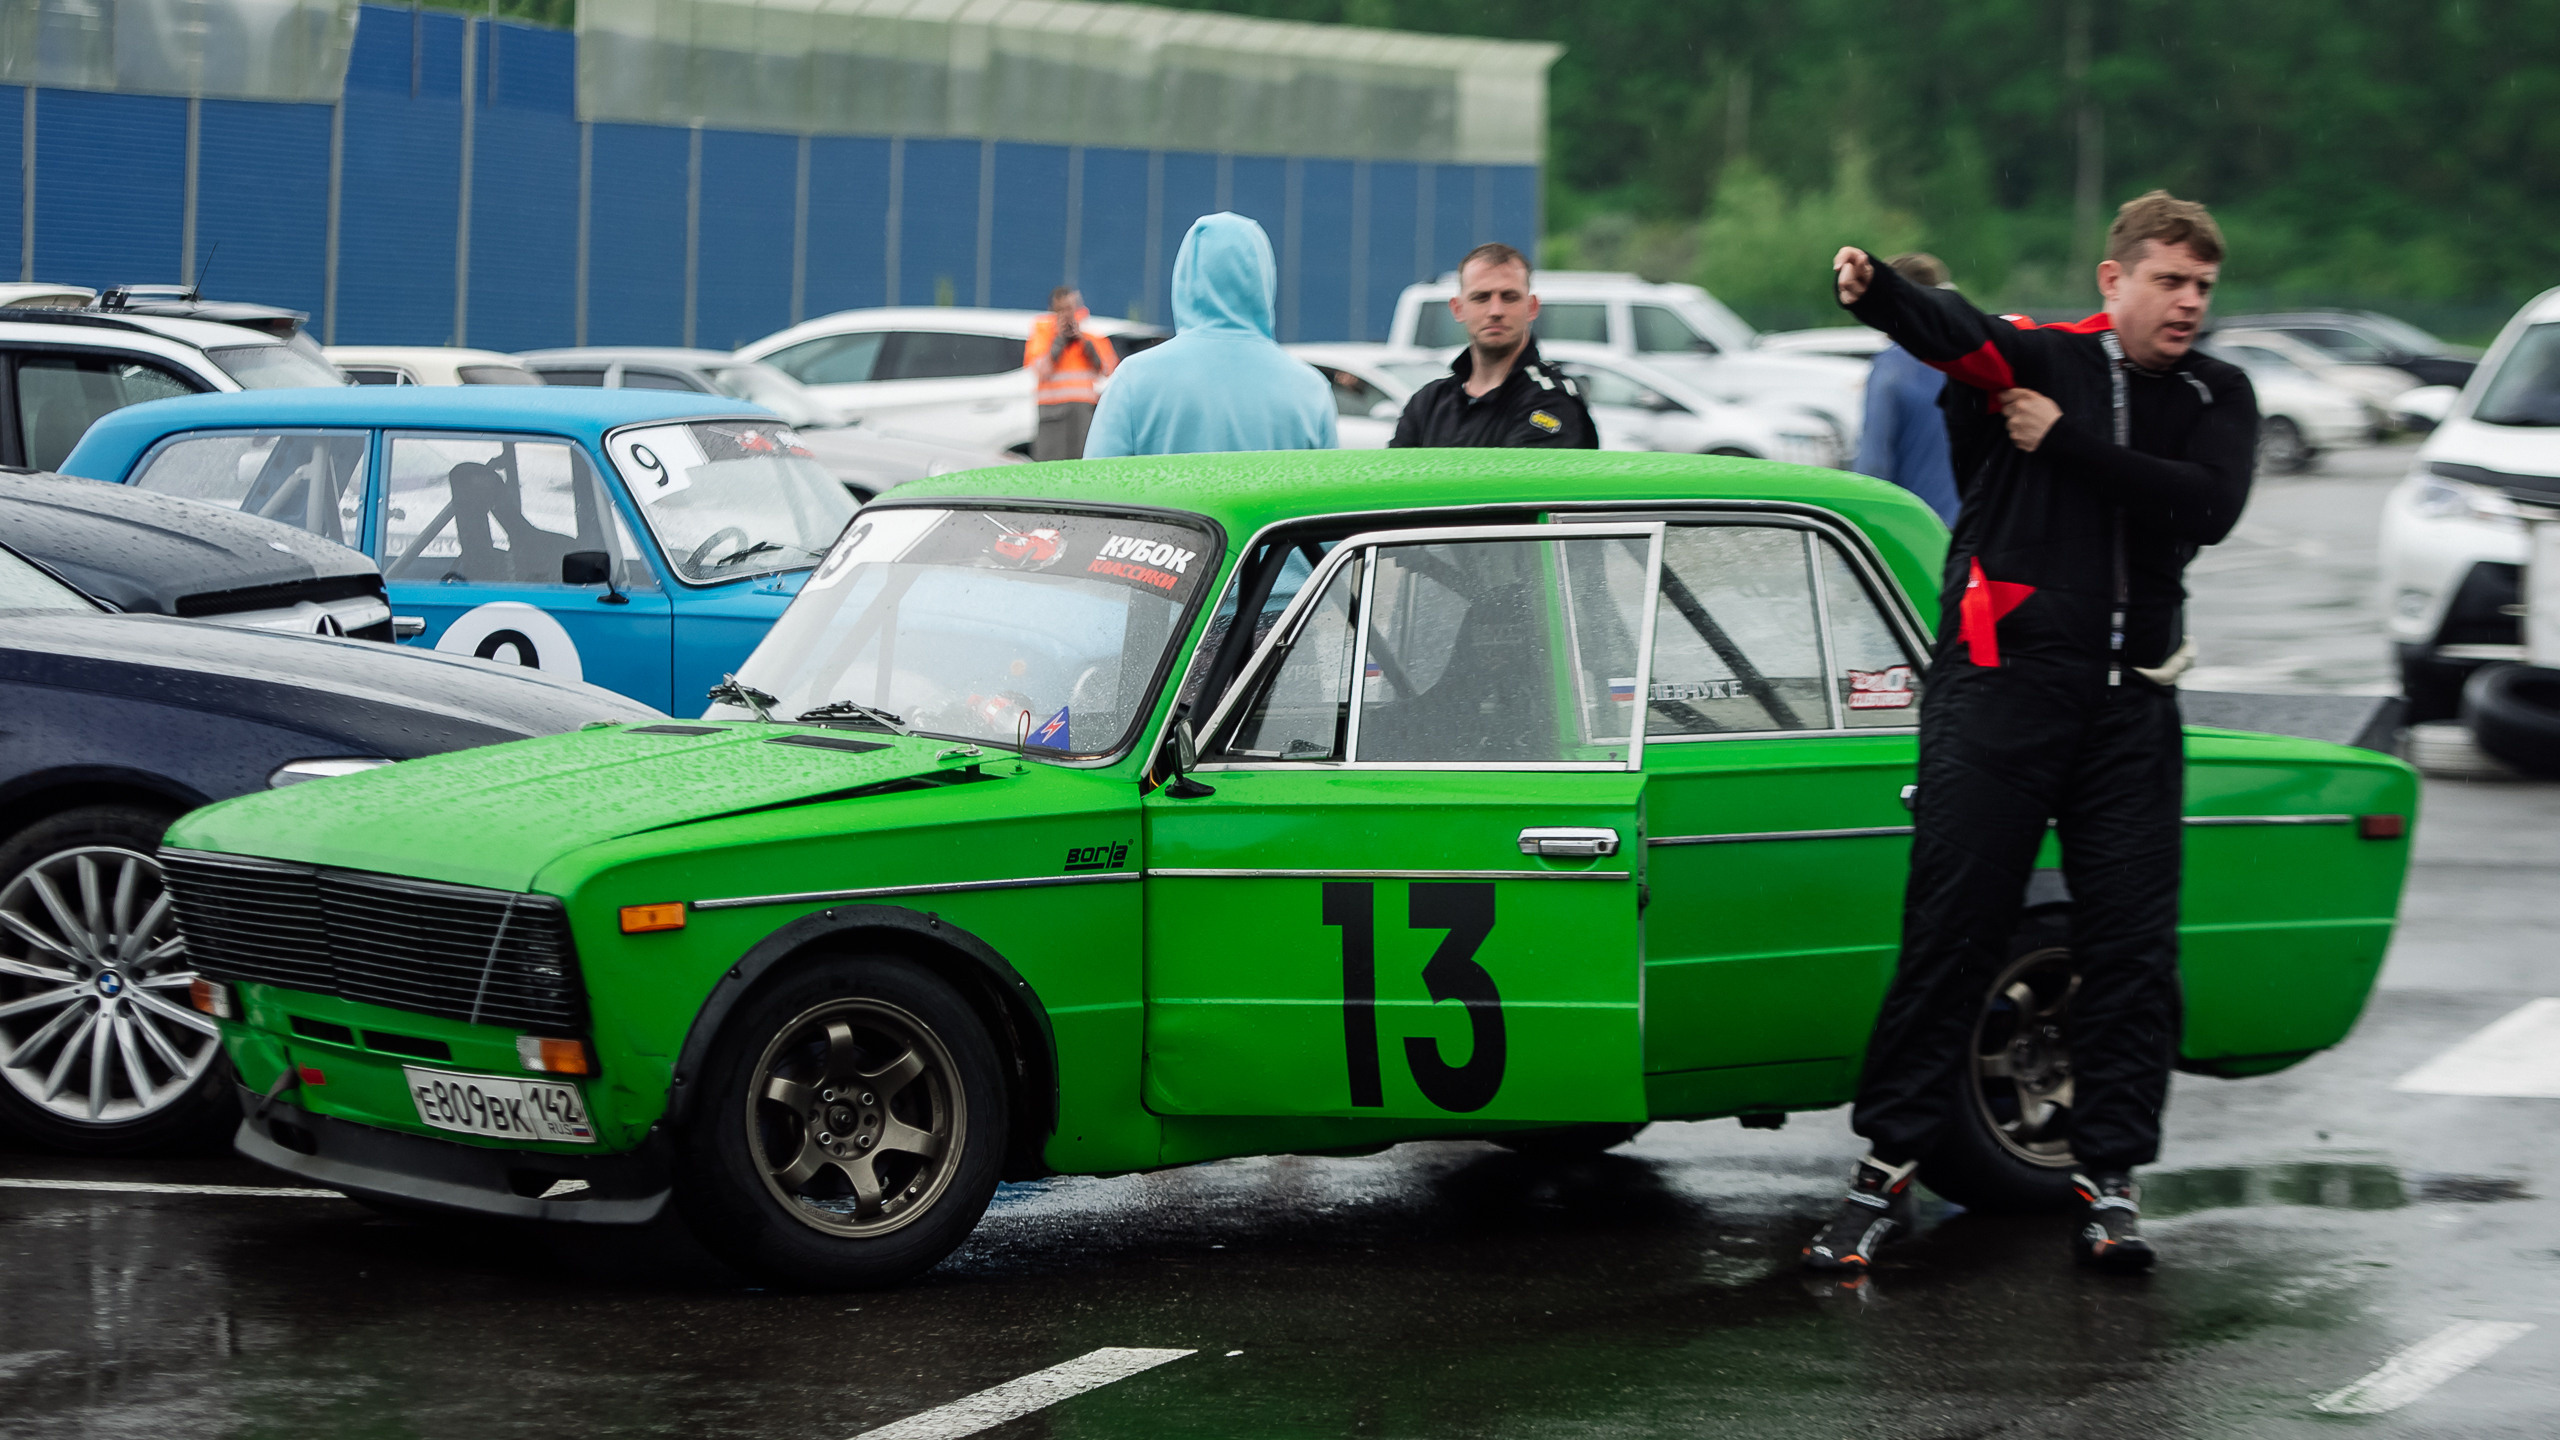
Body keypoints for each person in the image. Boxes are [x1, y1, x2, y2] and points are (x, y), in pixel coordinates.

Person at [1801, 191, 2256, 1276]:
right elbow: (1960, 336)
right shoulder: (2041, 360)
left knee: (2132, 955)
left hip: (2130, 703)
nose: (2187, 303)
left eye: (2202, 286)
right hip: (2002, 693)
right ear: (2116, 280)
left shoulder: (2214, 391)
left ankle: (2108, 1185)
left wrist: (2070, 447)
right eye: (2169, 281)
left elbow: (2203, 504)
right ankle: (1882, 1177)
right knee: (1953, 928)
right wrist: (1882, 293)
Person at [1084, 213, 1335, 458]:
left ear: (1184, 277)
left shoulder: (1135, 379)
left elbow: (1093, 491)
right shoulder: (1309, 389)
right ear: (1265, 276)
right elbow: (1331, 495)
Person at [1390, 243, 1598, 449]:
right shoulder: (1428, 402)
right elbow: (1394, 478)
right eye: (1481, 297)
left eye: (1509, 297)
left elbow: (1516, 482)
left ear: (1532, 307)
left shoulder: (1552, 401)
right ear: (1458, 308)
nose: (1495, 310)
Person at [1852, 253, 1964, 524]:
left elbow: (1874, 465)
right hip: (1975, 532)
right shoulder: (1970, 360)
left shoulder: (1893, 367)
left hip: (1918, 530)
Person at [1025, 287, 1117, 461]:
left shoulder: (1092, 337)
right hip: (1053, 414)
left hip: (1084, 415)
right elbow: (1040, 370)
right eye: (1062, 309)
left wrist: (1084, 344)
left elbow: (1106, 370)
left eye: (1071, 308)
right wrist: (1058, 342)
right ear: (1053, 311)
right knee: (1050, 466)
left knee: (1082, 464)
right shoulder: (1042, 334)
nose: (1068, 315)